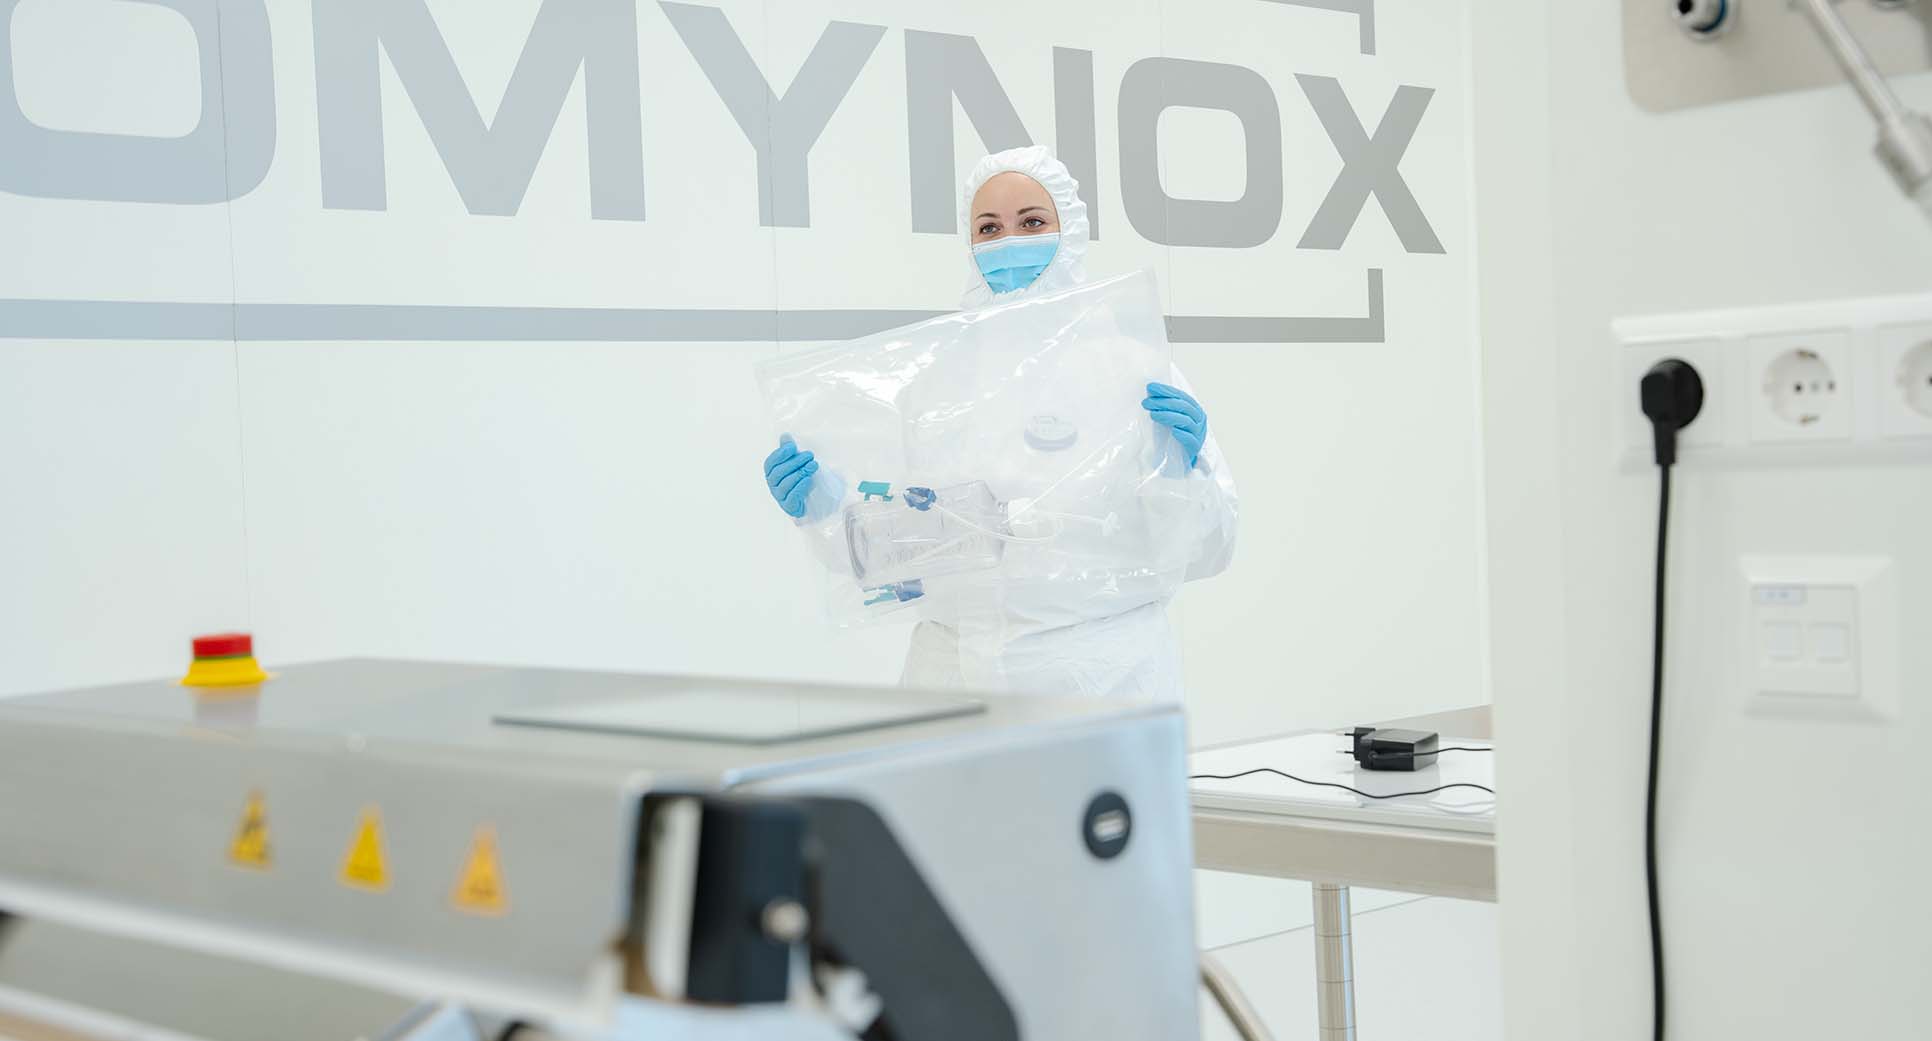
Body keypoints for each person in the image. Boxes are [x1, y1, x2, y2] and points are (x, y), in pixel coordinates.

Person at [761, 145, 1238, 700]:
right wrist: (827, 510)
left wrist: (1186, 472)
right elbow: (909, 545)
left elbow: (1208, 550)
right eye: (988, 228)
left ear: (1069, 232)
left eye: (1031, 222)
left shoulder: (1132, 369)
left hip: (1100, 678)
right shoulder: (932, 379)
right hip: (953, 677)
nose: (1008, 241)